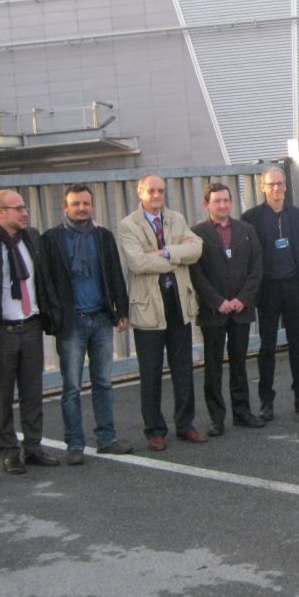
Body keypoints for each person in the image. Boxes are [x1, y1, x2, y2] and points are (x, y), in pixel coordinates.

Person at [43, 184, 134, 465]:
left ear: (92, 206)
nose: (81, 208)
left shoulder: (103, 236)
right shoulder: (52, 239)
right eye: (75, 204)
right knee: (71, 386)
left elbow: (115, 274)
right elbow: (46, 281)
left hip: (101, 319)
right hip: (71, 324)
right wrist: (54, 317)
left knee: (103, 383)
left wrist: (121, 310)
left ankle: (107, 438)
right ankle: (75, 444)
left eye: (85, 203)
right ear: (65, 207)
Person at [117, 174, 205, 451]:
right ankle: (154, 430)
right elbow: (137, 262)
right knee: (151, 372)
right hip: (149, 308)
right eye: (152, 191)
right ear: (140, 192)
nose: (157, 195)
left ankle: (185, 425)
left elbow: (197, 249)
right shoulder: (127, 225)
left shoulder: (176, 218)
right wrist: (175, 257)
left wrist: (165, 253)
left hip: (178, 303)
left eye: (161, 191)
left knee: (183, 368)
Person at [0, 189, 62, 472]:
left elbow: (44, 277)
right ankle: (8, 452)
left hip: (31, 325)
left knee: (33, 392)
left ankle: (33, 448)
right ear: (0, 212)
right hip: (2, 331)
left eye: (24, 207)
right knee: (3, 396)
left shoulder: (32, 238)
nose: (24, 212)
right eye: (17, 208)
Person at [189, 182, 265, 436]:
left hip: (241, 309)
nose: (222, 205)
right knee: (213, 367)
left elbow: (256, 268)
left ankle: (242, 412)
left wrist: (243, 298)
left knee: (240, 364)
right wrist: (217, 301)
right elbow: (196, 273)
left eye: (226, 200)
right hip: (214, 312)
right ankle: (216, 418)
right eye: (217, 201)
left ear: (231, 202)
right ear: (206, 204)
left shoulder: (246, 230)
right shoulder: (196, 233)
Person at [242, 165, 299, 419]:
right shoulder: (250, 217)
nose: (276, 188)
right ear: (263, 187)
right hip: (268, 289)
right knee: (268, 346)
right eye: (271, 184)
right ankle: (266, 401)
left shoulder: (297, 215)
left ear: (286, 186)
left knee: (298, 344)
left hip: (293, 285)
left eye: (280, 184)